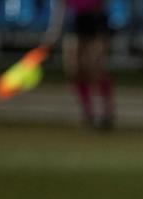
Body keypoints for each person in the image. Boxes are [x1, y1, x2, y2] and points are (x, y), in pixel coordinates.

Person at [42, 0, 115, 130]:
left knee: (94, 68)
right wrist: (54, 32)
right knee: (75, 70)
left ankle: (107, 111)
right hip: (75, 22)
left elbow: (102, 6)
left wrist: (103, 30)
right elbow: (60, 7)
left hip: (95, 20)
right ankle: (88, 113)